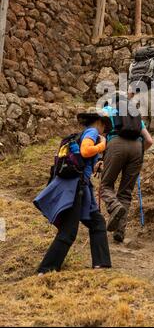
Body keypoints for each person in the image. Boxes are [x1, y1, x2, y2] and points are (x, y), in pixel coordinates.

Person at [34, 108, 112, 274]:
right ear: (99, 122)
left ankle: (101, 265)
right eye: (105, 126)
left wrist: (96, 164)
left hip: (81, 187)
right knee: (69, 232)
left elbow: (84, 156)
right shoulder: (92, 132)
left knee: (97, 222)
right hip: (77, 188)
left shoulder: (86, 133)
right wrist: (102, 144)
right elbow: (85, 151)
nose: (105, 130)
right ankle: (46, 270)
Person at [101, 93, 153, 243]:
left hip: (115, 144)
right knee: (125, 192)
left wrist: (99, 157)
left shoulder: (107, 110)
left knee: (106, 185)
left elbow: (100, 135)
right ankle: (119, 232)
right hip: (137, 148)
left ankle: (114, 206)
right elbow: (149, 140)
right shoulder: (133, 113)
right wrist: (139, 150)